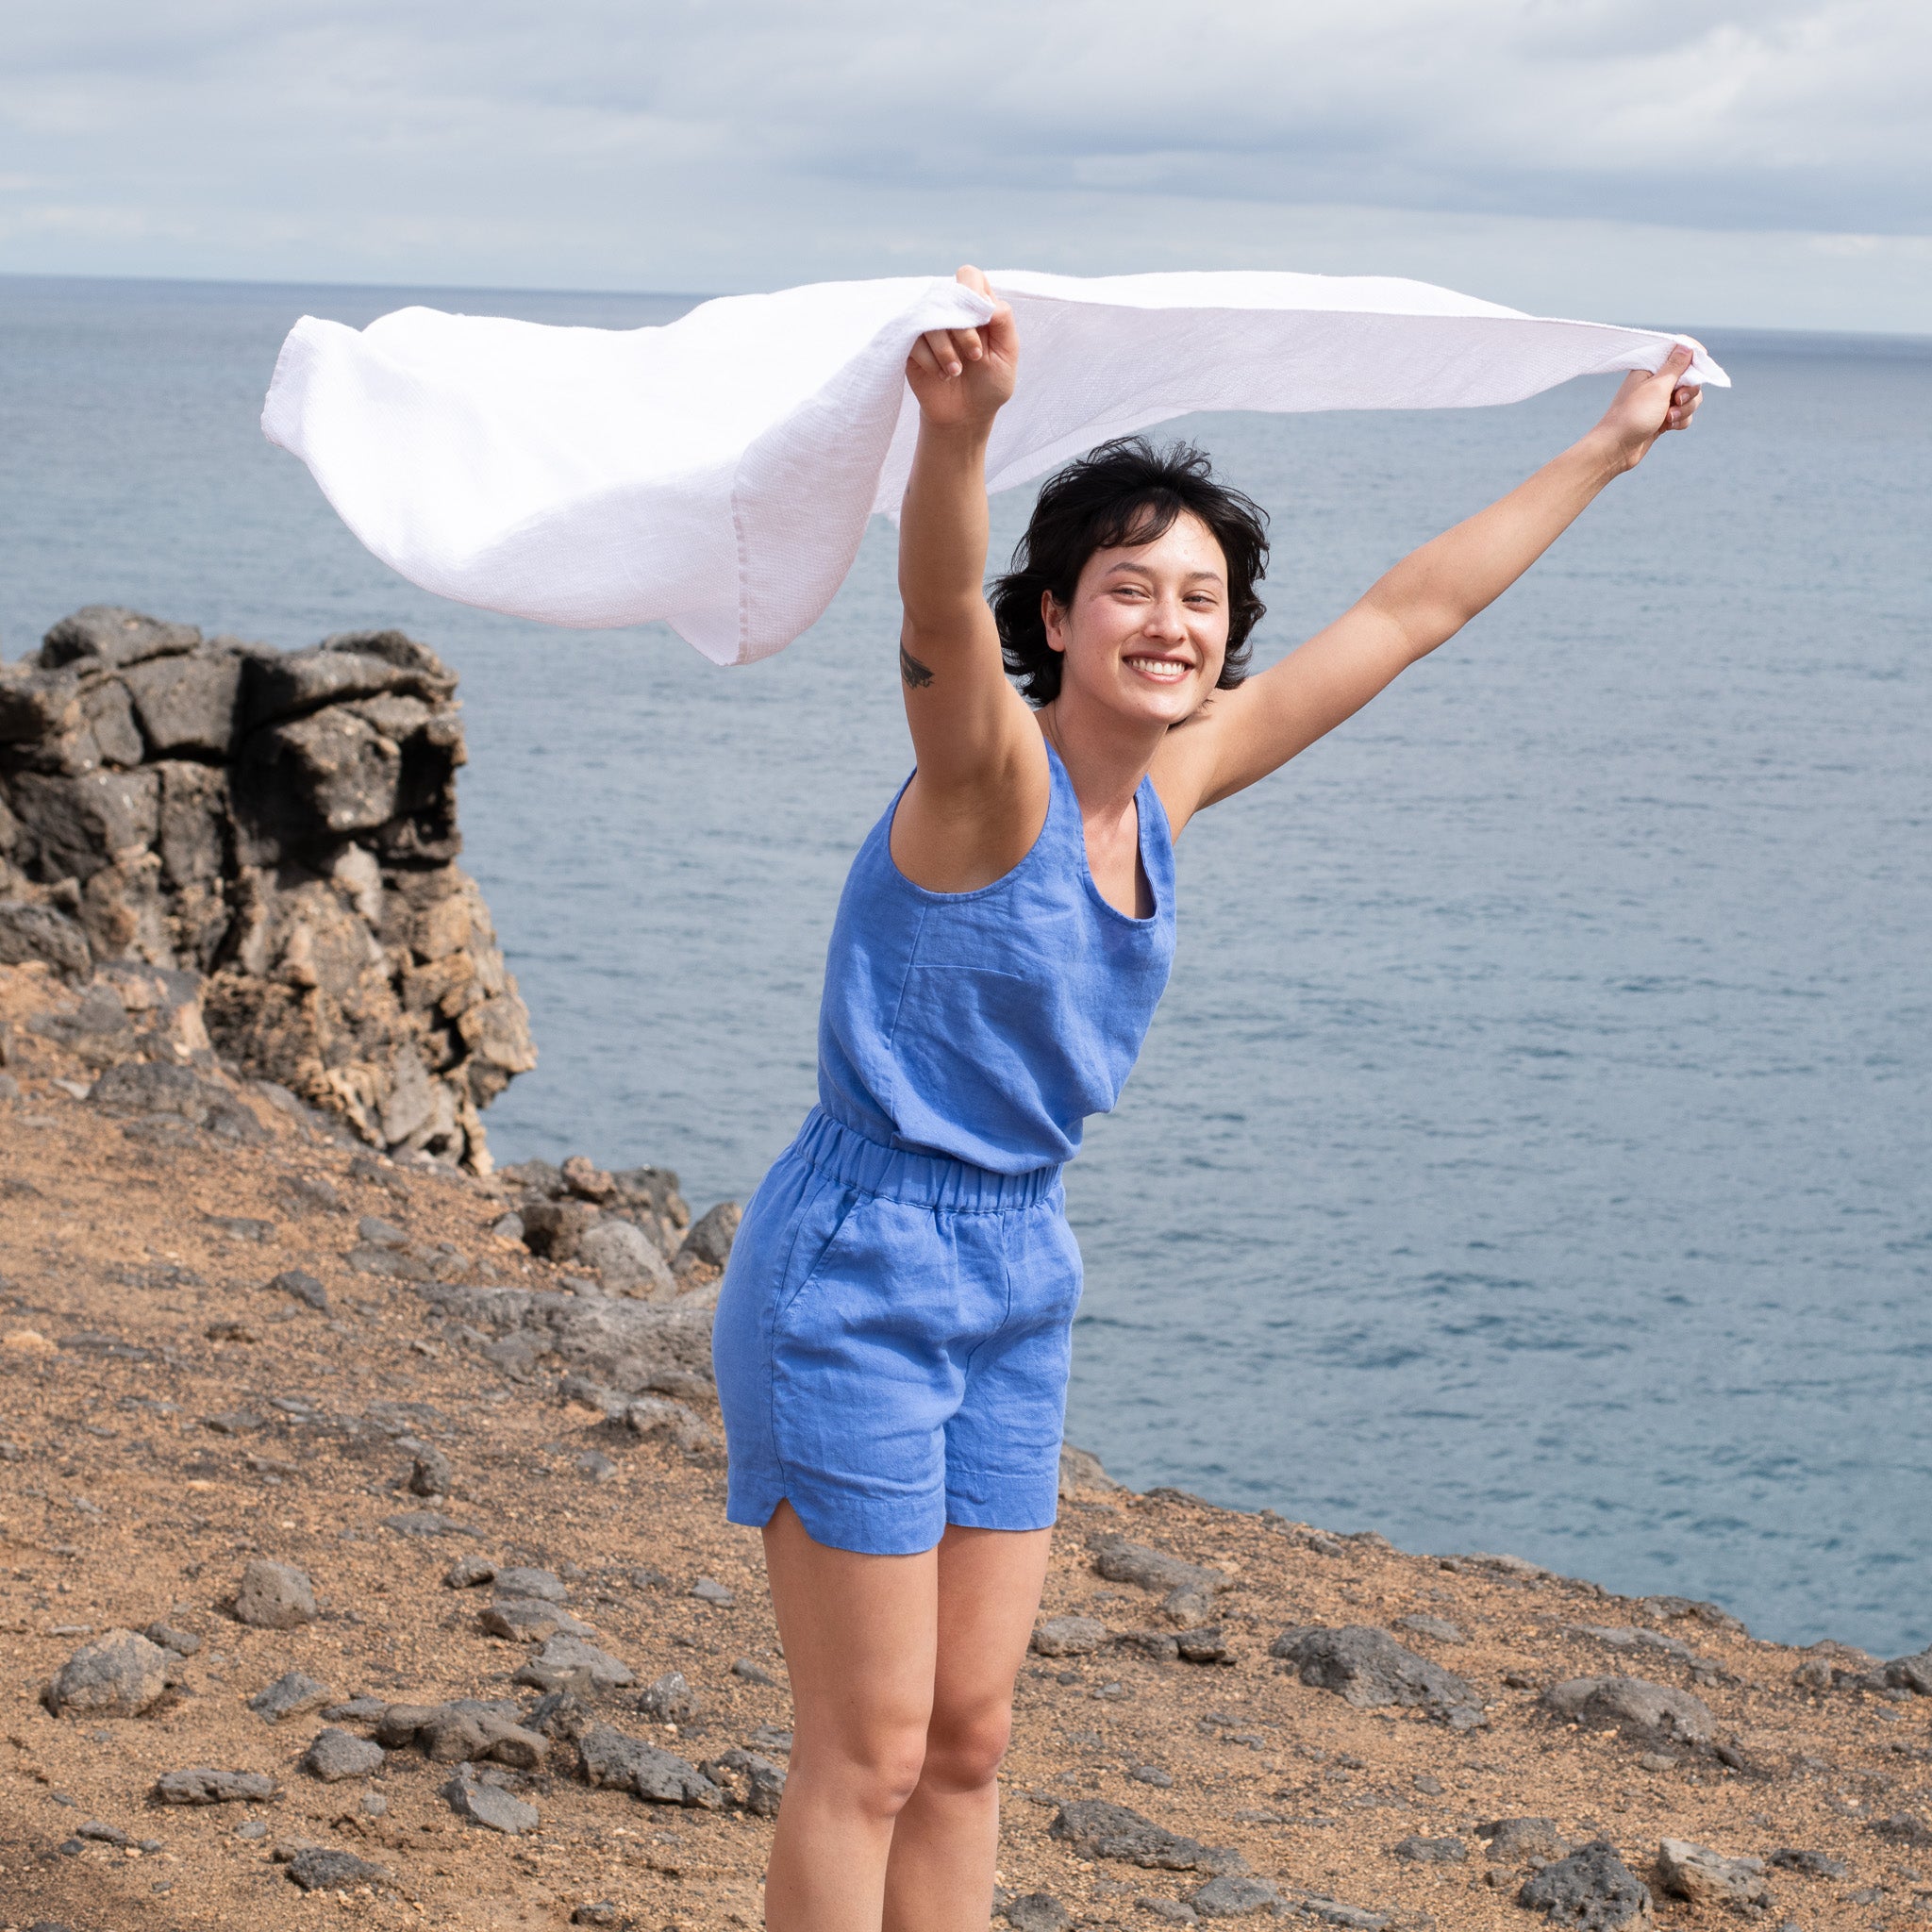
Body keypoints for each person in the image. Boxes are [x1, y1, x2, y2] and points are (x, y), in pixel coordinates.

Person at [710, 264, 1702, 1930]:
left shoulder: (1175, 780)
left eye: (1201, 597)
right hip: (860, 1269)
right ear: (1058, 619)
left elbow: (1409, 614)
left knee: (968, 1742)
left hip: (1018, 1271)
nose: (1172, 622)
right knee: (867, 1749)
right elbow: (935, 613)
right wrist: (958, 438)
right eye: (1128, 588)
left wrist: (1604, 448)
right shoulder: (986, 779)